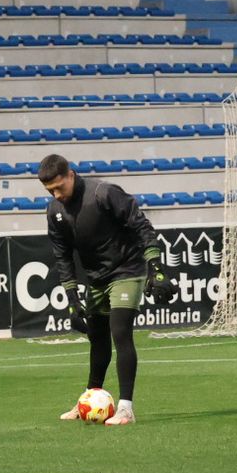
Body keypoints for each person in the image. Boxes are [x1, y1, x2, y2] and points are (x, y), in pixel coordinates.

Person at [40, 153, 177, 426]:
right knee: (97, 338)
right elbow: (63, 256)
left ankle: (126, 408)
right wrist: (72, 300)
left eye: (59, 187)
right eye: (50, 190)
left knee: (120, 331)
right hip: (97, 278)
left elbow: (141, 224)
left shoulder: (103, 193)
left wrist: (156, 267)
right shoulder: (54, 212)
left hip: (127, 269)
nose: (56, 194)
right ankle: (89, 399)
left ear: (71, 175)